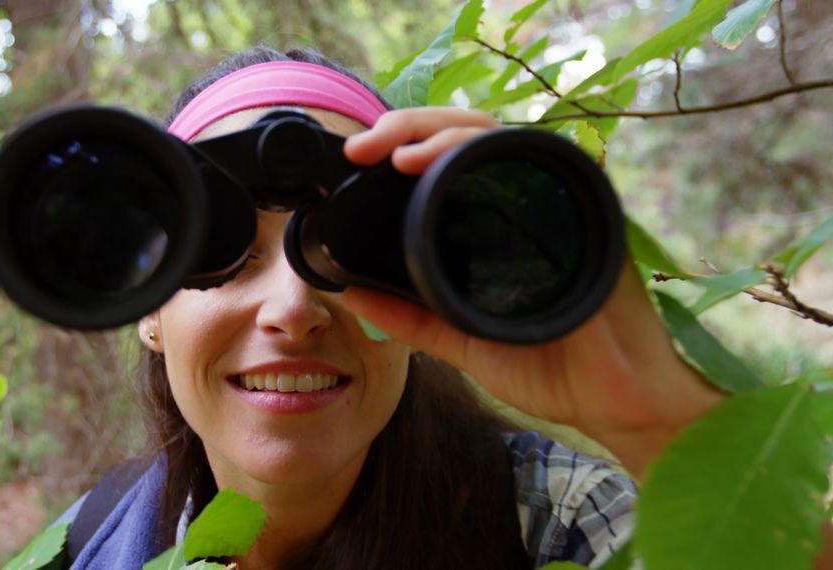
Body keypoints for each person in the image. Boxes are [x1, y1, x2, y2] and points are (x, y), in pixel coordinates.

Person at [53, 46, 729, 569]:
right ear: (149, 310)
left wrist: (654, 419)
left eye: (345, 250)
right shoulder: (93, 542)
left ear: (422, 293)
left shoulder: (556, 522)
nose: (291, 308)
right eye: (226, 254)